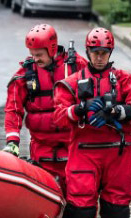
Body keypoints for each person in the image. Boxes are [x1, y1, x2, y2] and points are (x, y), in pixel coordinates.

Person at [53, 28, 131, 218]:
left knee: (117, 210)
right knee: (80, 210)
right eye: (95, 53)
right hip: (85, 152)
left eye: (104, 53)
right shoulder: (71, 82)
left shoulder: (124, 79)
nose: (99, 57)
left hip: (118, 153)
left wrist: (115, 111)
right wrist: (80, 108)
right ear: (87, 52)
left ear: (110, 53)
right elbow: (59, 117)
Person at [5, 24, 88, 189]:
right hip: (41, 153)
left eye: (39, 55)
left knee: (82, 203)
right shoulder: (25, 75)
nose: (35, 59)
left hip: (74, 149)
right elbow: (13, 109)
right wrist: (12, 142)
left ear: (51, 49)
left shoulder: (76, 67)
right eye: (32, 54)